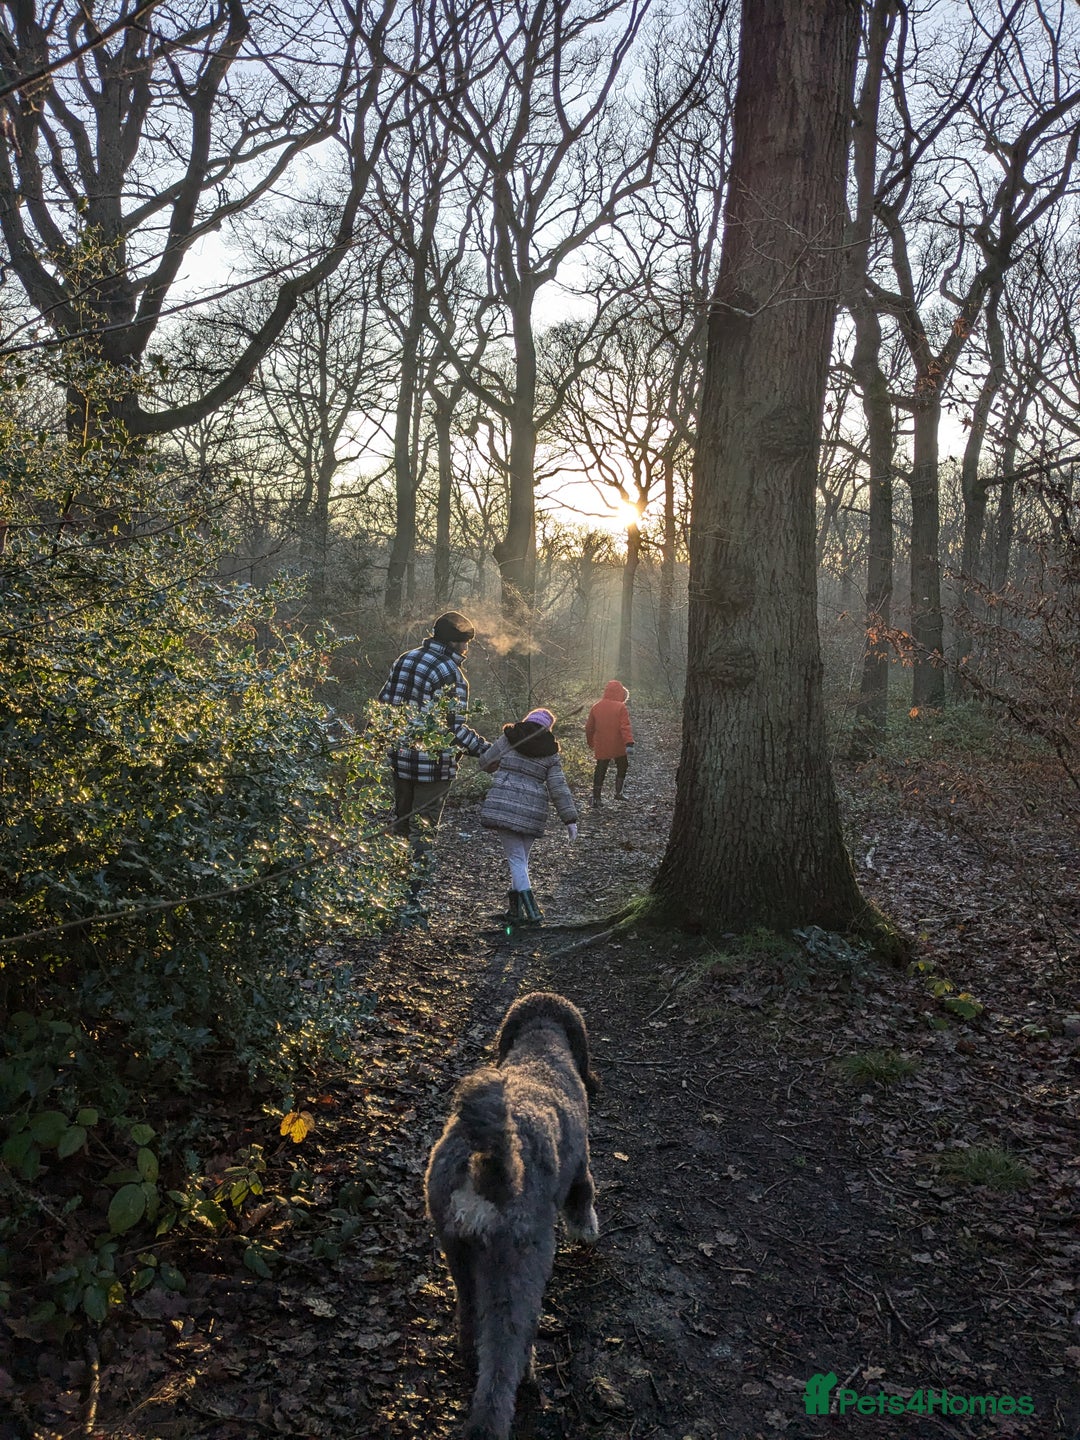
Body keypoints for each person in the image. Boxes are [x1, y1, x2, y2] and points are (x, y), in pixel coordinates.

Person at [379, 612, 488, 912]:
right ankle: (411, 896)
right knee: (423, 829)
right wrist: (485, 750)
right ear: (455, 643)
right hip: (433, 766)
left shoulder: (406, 658)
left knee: (401, 822)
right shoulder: (451, 674)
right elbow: (454, 730)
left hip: (400, 759)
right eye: (466, 643)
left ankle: (390, 885)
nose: (467, 650)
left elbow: (384, 704)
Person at [479, 707, 579, 926]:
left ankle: (532, 912)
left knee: (517, 860)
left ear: (527, 721)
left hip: (503, 806)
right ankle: (515, 911)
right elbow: (558, 787)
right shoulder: (550, 752)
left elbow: (485, 762)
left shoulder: (509, 738)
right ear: (547, 729)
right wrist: (569, 819)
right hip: (533, 811)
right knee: (520, 860)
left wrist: (496, 764)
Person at [585, 680, 634, 806]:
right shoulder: (621, 707)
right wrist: (629, 743)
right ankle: (618, 793)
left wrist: (590, 742)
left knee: (600, 769)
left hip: (602, 744)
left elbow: (589, 727)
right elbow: (625, 726)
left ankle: (596, 798)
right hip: (618, 744)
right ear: (620, 693)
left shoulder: (596, 706)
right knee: (623, 765)